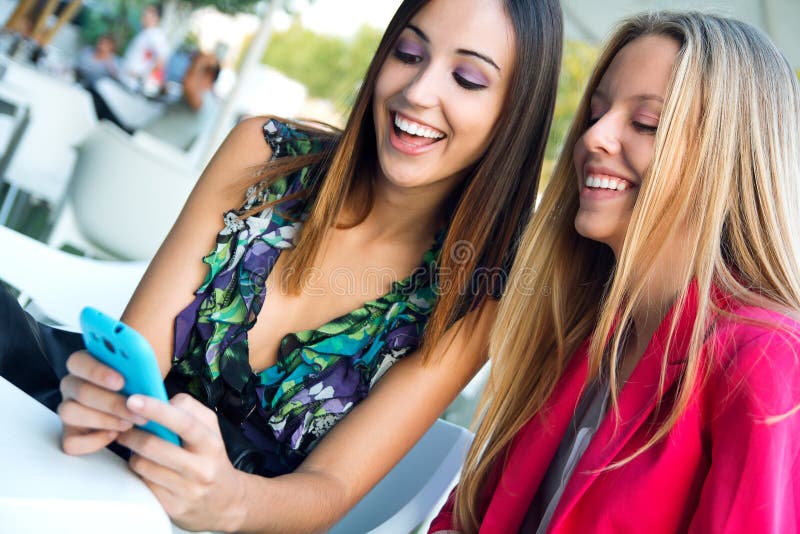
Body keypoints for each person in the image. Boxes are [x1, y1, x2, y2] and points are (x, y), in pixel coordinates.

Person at [0, 0, 564, 531]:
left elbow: (329, 490)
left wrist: (228, 499)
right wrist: (99, 395)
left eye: (467, 79)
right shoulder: (264, 156)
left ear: (514, 117)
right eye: (409, 55)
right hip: (85, 481)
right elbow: (135, 357)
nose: (416, 92)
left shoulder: (477, 294)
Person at [430, 11, 800, 534]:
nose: (593, 137)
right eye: (596, 113)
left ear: (729, 157)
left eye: (646, 123)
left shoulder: (765, 359)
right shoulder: (575, 323)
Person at [141, 51, 221, 151]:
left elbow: (188, 84)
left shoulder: (208, 100)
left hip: (150, 148)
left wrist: (202, 61)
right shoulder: (202, 97)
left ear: (209, 75)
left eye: (194, 68)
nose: (189, 69)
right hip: (144, 142)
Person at [120, 3, 169, 89]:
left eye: (148, 13)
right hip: (127, 81)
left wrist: (142, 77)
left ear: (156, 17)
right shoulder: (146, 33)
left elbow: (161, 61)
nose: (144, 15)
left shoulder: (155, 34)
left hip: (133, 84)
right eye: (144, 13)